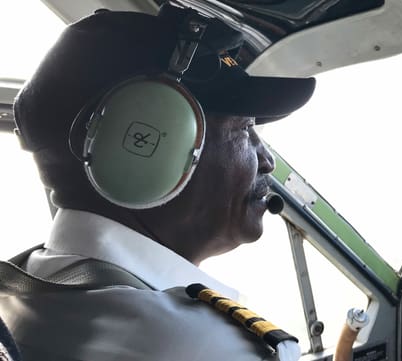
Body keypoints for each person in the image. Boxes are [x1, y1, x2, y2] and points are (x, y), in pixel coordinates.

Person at [0, 3, 314, 361]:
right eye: (245, 130)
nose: (267, 160)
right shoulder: (205, 349)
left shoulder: (20, 293)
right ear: (144, 146)